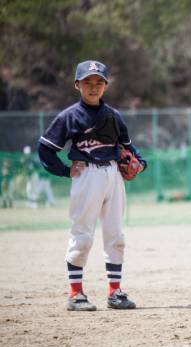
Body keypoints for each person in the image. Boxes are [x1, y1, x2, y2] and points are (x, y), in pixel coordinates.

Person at [38, 60, 147, 311]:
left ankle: (115, 292)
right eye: (88, 82)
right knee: (82, 233)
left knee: (116, 234)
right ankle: (76, 294)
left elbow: (127, 146)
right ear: (77, 85)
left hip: (112, 174)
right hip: (86, 175)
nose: (93, 87)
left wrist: (141, 162)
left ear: (106, 86)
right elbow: (45, 149)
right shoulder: (69, 116)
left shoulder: (113, 116)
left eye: (99, 82)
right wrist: (65, 170)